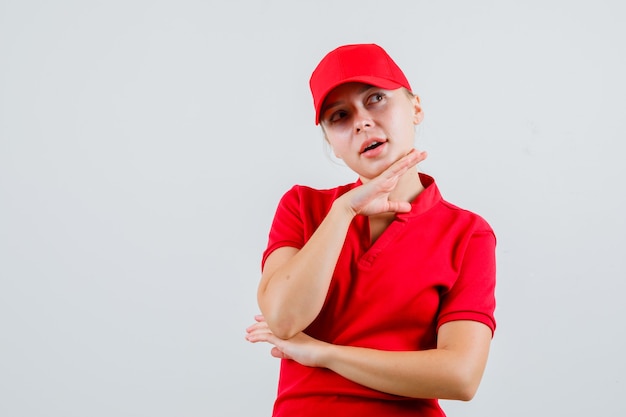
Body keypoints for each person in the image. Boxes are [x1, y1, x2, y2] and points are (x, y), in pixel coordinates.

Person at [245, 43, 496, 417]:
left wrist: (322, 353)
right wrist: (343, 211)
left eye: (376, 98)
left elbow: (461, 376)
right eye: (339, 116)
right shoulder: (302, 207)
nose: (362, 121)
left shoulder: (467, 233)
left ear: (415, 108)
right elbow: (284, 319)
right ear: (331, 141)